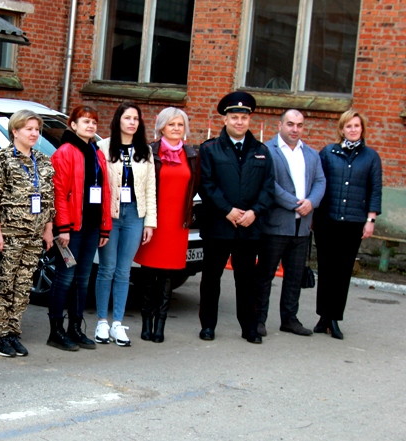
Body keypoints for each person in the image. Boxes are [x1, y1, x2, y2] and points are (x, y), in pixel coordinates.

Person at [198, 91, 274, 344]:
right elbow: (206, 185)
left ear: (249, 120)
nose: (239, 122)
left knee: (246, 280)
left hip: (248, 227)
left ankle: (249, 327)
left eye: (244, 117)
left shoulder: (261, 151)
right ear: (225, 120)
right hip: (218, 224)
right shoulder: (210, 149)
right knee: (211, 278)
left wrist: (254, 212)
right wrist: (227, 210)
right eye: (234, 117)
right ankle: (208, 325)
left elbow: (268, 187)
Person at [0, 110, 55, 357]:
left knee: (23, 286)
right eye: (29, 129)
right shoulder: (0, 160)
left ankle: (13, 332)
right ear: (15, 131)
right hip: (8, 235)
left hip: (34, 236)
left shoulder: (43, 161)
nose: (34, 134)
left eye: (37, 129)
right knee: (3, 284)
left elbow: (48, 199)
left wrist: (48, 230)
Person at [255, 109, 325, 337]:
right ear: (280, 125)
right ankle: (258, 319)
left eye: (299, 125)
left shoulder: (312, 154)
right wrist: (295, 204)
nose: (295, 129)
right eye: (290, 124)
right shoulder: (267, 151)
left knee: (294, 277)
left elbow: (320, 181)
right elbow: (269, 184)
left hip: (302, 227)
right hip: (275, 225)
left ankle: (289, 319)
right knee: (265, 275)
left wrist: (311, 202)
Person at [47, 105, 112, 351]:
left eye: (94, 122)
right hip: (71, 228)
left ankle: (75, 327)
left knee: (83, 279)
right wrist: (62, 227)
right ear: (73, 125)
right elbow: (59, 193)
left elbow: (105, 192)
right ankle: (56, 331)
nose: (91, 126)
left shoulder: (97, 153)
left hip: (92, 226)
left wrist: (104, 227)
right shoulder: (65, 152)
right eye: (85, 121)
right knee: (65, 278)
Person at [313, 110, 382, 339]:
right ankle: (323, 316)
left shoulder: (371, 157)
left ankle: (334, 317)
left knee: (342, 271)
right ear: (342, 129)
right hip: (327, 220)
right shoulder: (328, 153)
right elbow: (319, 183)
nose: (353, 130)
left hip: (353, 223)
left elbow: (375, 190)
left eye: (356, 126)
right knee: (326, 268)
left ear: (362, 129)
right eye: (348, 126)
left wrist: (370, 220)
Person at [134, 107, 200, 343]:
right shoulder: (149, 151)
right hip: (153, 221)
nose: (176, 128)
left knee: (167, 276)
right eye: (171, 124)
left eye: (180, 125)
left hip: (177, 224)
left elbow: (196, 186)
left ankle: (160, 325)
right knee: (148, 275)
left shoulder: (192, 155)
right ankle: (146, 323)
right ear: (161, 127)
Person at [93, 102, 156, 347]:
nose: (132, 122)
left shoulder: (145, 150)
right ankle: (102, 321)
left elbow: (150, 188)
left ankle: (117, 323)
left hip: (135, 215)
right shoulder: (103, 147)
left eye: (136, 119)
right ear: (118, 120)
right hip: (110, 215)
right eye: (127, 117)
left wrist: (150, 222)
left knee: (123, 271)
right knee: (106, 269)